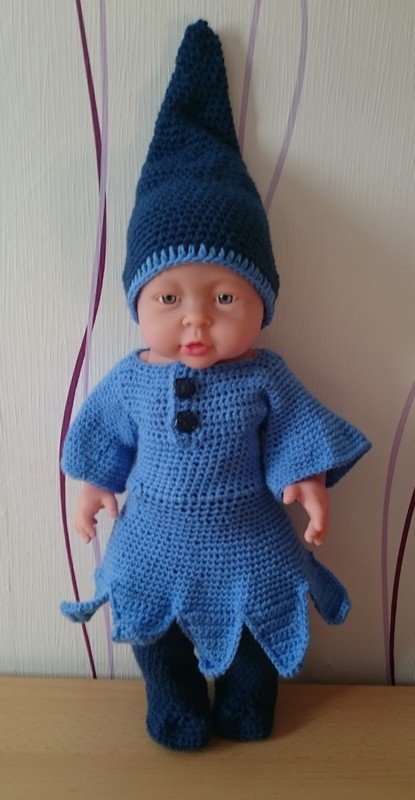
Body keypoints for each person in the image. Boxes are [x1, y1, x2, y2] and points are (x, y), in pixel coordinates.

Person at [61, 20, 371, 750]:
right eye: (169, 298)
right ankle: (173, 706)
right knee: (155, 634)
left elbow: (294, 433)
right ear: (137, 303)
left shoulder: (264, 375)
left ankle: (246, 704)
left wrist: (305, 480)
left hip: (249, 539)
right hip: (152, 539)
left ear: (263, 300)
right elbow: (104, 435)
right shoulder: (132, 380)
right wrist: (94, 484)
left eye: (225, 297)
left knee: (257, 627)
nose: (196, 320)